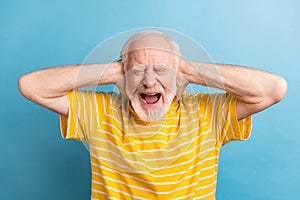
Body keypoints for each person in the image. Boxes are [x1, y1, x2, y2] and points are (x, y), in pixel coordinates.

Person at [18, 30, 287, 200]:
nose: (149, 82)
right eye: (137, 72)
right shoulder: (100, 112)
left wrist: (185, 69)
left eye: (160, 71)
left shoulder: (208, 113)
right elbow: (31, 86)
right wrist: (116, 70)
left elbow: (274, 89)